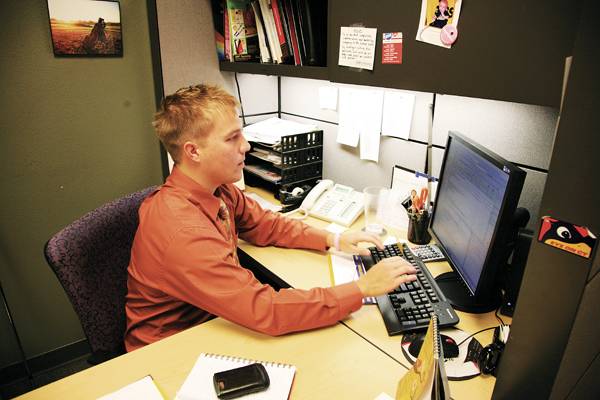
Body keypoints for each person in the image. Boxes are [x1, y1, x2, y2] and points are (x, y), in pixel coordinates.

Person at [124, 84, 417, 352]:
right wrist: (361, 289)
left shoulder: (217, 189)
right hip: (168, 350)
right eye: (232, 138)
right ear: (193, 151)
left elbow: (266, 224)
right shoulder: (182, 229)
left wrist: (334, 238)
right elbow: (266, 310)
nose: (246, 146)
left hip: (212, 319)